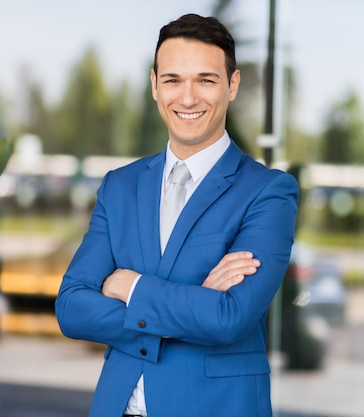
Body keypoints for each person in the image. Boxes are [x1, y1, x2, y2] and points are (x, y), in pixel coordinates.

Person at [55, 13, 298, 417]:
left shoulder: (267, 192)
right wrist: (193, 305)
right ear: (154, 85)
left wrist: (130, 286)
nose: (187, 98)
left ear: (232, 85)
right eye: (172, 80)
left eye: (205, 80)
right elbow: (72, 307)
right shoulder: (120, 186)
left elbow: (228, 317)